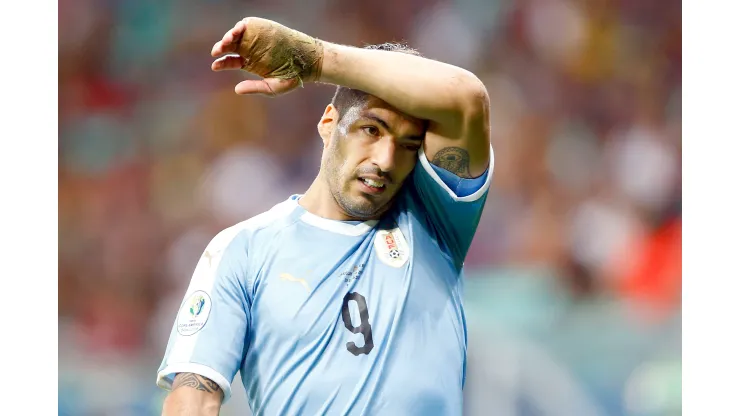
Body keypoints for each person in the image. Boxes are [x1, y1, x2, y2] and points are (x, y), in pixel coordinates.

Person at [156, 17, 493, 416]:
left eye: (407, 145)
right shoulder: (243, 250)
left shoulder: (434, 221)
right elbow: (194, 395)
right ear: (329, 123)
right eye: (371, 130)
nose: (385, 160)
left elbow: (466, 97)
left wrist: (314, 59)